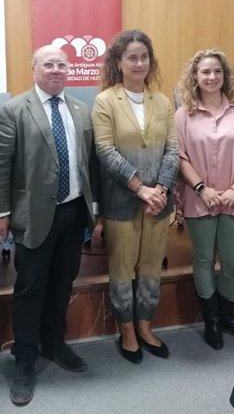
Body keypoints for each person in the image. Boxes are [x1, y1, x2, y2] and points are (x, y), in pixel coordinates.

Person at [0, 45, 97, 406]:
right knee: (29, 290)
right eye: (48, 64)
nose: (56, 69)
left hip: (72, 212)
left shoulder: (81, 110)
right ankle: (24, 359)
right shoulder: (13, 110)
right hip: (32, 216)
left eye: (62, 64)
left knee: (62, 284)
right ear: (34, 69)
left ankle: (54, 343)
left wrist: (93, 208)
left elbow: (88, 164)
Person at [92, 29, 178, 364]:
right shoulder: (104, 101)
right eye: (132, 57)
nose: (139, 62)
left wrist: (161, 190)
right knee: (122, 270)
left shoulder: (163, 101)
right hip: (122, 203)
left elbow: (172, 151)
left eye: (144, 57)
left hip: (159, 203)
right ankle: (126, 330)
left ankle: (145, 326)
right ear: (118, 61)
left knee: (151, 269)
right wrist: (140, 188)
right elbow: (105, 151)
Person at [174, 49, 234, 350]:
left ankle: (227, 314)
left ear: (224, 75)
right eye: (205, 72)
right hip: (199, 197)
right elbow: (179, 156)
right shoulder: (183, 115)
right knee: (203, 259)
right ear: (195, 77)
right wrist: (203, 188)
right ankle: (211, 319)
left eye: (217, 71)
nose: (212, 77)